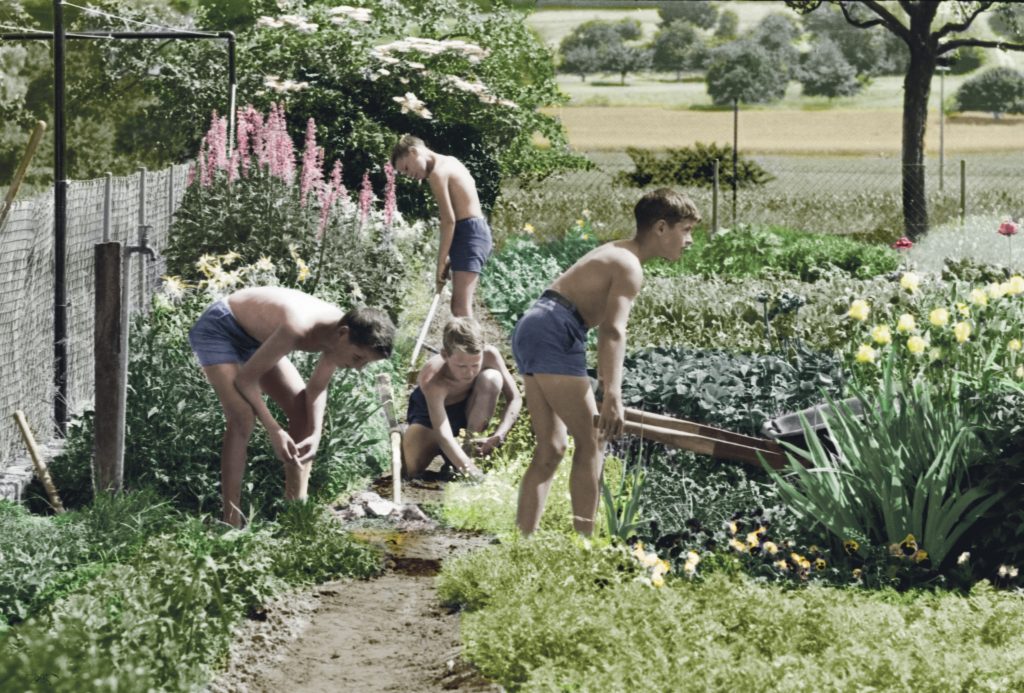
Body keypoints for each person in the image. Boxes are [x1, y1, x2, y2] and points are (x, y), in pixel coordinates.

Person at [512, 188, 700, 536]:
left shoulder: (621, 254)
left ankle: (521, 540)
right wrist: (613, 394)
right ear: (661, 228)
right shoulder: (629, 266)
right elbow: (613, 331)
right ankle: (585, 542)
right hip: (555, 329)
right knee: (595, 438)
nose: (689, 240)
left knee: (552, 447)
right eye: (685, 230)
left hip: (537, 324)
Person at [188, 286, 395, 527]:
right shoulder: (298, 327)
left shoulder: (340, 337)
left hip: (258, 338)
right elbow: (246, 381)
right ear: (343, 333)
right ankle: (231, 519)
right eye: (358, 358)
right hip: (221, 328)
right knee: (243, 417)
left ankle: (295, 510)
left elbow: (316, 389)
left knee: (302, 411)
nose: (358, 367)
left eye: (365, 363)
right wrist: (275, 430)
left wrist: (316, 434)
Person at [402, 316, 522, 479]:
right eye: (462, 366)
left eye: (475, 365)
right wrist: (473, 474)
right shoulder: (433, 378)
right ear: (445, 355)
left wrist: (500, 434)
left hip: (469, 409)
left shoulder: (490, 355)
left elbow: (515, 398)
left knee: (492, 377)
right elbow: (443, 435)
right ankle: (413, 437)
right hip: (430, 415)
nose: (470, 372)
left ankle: (466, 454)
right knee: (412, 471)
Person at [391, 134, 492, 318]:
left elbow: (448, 221)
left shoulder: (438, 173)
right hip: (471, 231)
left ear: (414, 152)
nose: (409, 175)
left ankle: (479, 348)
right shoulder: (450, 161)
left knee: (460, 309)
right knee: (460, 308)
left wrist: (440, 263)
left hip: (469, 233)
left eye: (406, 168)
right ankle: (477, 347)